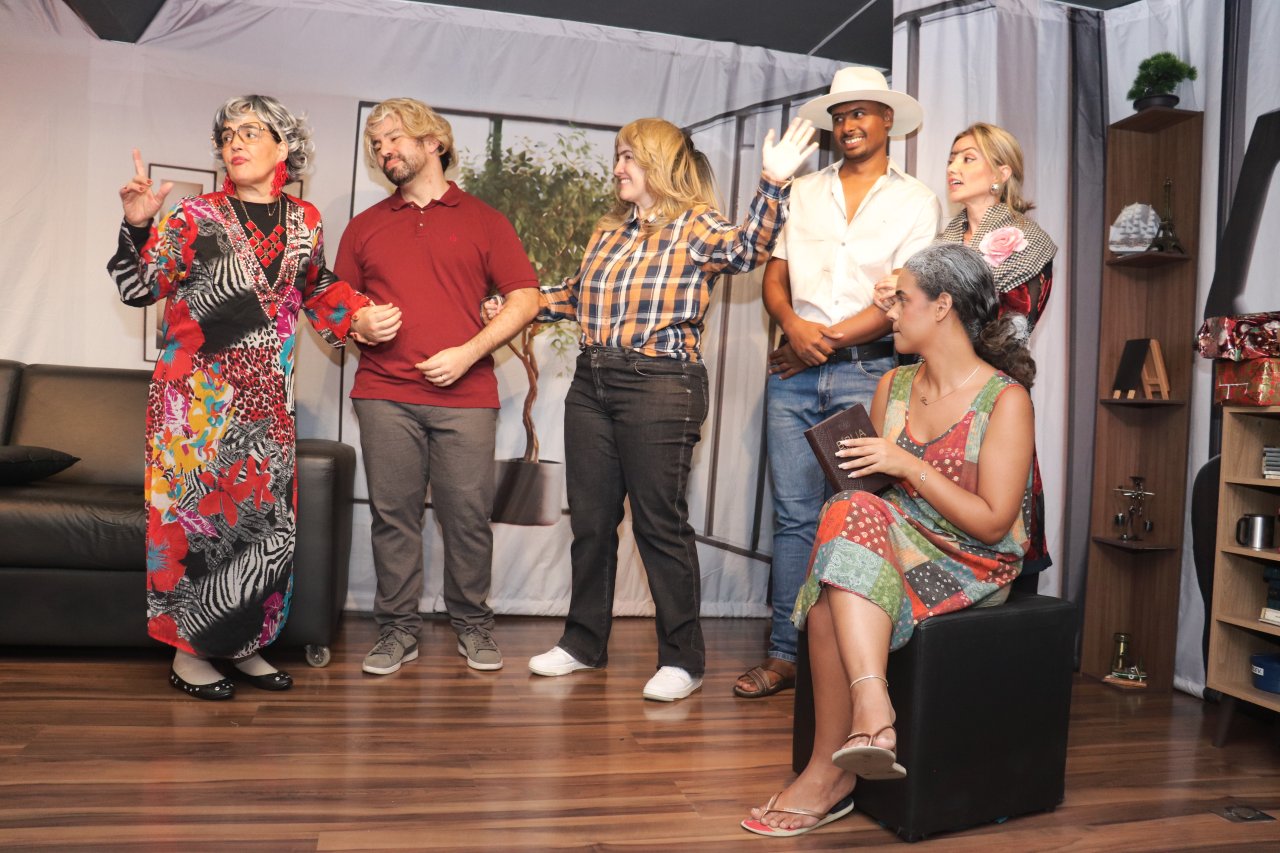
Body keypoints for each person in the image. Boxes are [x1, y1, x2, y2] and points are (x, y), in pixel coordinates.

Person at [515, 116, 818, 702]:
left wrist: (773, 182)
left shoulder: (696, 225)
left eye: (628, 156)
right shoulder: (608, 232)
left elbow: (748, 249)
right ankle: (583, 644)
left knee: (659, 525)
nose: (617, 168)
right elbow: (574, 296)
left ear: (658, 163)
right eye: (617, 156)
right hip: (592, 381)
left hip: (660, 384)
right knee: (592, 522)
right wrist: (514, 302)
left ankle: (683, 660)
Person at [109, 95, 401, 701]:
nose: (234, 143)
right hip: (193, 408)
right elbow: (140, 287)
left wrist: (358, 317)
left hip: (268, 405)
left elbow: (316, 286)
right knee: (196, 528)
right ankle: (190, 655)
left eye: (249, 131)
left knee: (263, 530)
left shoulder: (306, 220)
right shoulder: (195, 216)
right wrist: (137, 225)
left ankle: (245, 645)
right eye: (226, 136)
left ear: (283, 146)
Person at [741, 241, 1037, 836]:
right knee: (844, 522)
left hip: (970, 558)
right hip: (898, 535)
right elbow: (872, 498)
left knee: (833, 582)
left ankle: (835, 766)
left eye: (901, 299)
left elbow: (992, 524)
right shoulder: (894, 387)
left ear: (942, 306)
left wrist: (906, 464)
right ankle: (865, 722)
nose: (889, 312)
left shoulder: (1005, 400)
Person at [734, 67, 943, 699]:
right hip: (793, 376)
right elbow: (775, 275)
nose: (849, 125)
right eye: (840, 115)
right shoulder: (801, 191)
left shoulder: (917, 201)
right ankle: (785, 655)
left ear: (888, 121)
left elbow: (903, 297)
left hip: (869, 373)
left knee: (859, 514)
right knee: (794, 518)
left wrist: (816, 344)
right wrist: (793, 327)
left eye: (861, 113)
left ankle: (855, 663)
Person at [334, 98, 540, 677]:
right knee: (393, 518)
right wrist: (357, 323)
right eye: (376, 144)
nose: (384, 151)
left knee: (468, 518)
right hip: (384, 395)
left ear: (433, 143)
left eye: (394, 138)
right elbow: (333, 307)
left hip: (466, 397)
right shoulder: (364, 226)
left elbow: (526, 297)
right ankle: (397, 630)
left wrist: (469, 352)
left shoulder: (485, 220)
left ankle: (473, 625)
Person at [884, 122, 1056, 576]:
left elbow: (1014, 330)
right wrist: (901, 297)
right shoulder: (942, 241)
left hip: (987, 394)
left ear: (1002, 172)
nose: (953, 168)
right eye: (950, 159)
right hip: (932, 386)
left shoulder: (1029, 243)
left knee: (994, 500)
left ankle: (992, 577)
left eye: (968, 158)